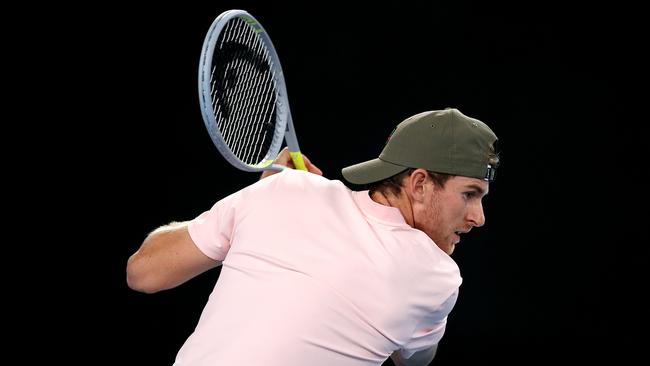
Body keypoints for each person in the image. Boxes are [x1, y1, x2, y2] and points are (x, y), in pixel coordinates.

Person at [127, 108, 500, 366]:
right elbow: (414, 358)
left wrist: (260, 198)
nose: (478, 218)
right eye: (469, 194)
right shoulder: (435, 274)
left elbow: (143, 273)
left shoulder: (282, 193)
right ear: (419, 183)